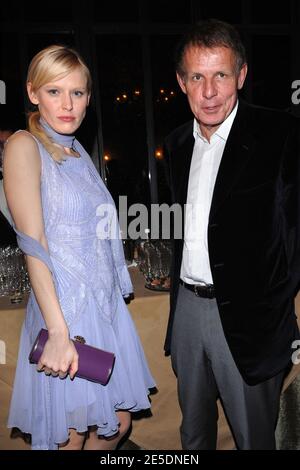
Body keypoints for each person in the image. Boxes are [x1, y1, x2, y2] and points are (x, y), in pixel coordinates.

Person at [3, 44, 155, 450]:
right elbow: (33, 244)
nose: (68, 104)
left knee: (115, 425)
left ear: (89, 97)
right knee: (72, 436)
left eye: (78, 92)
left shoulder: (77, 153)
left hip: (101, 309)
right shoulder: (23, 146)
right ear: (33, 93)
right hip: (65, 312)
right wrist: (57, 331)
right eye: (55, 92)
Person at [163, 19, 300, 450]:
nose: (208, 92)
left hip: (250, 320)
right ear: (182, 82)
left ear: (241, 76)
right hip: (186, 310)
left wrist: (272, 305)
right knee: (193, 433)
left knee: (253, 438)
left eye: (221, 75)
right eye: (197, 77)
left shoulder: (280, 134)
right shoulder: (177, 143)